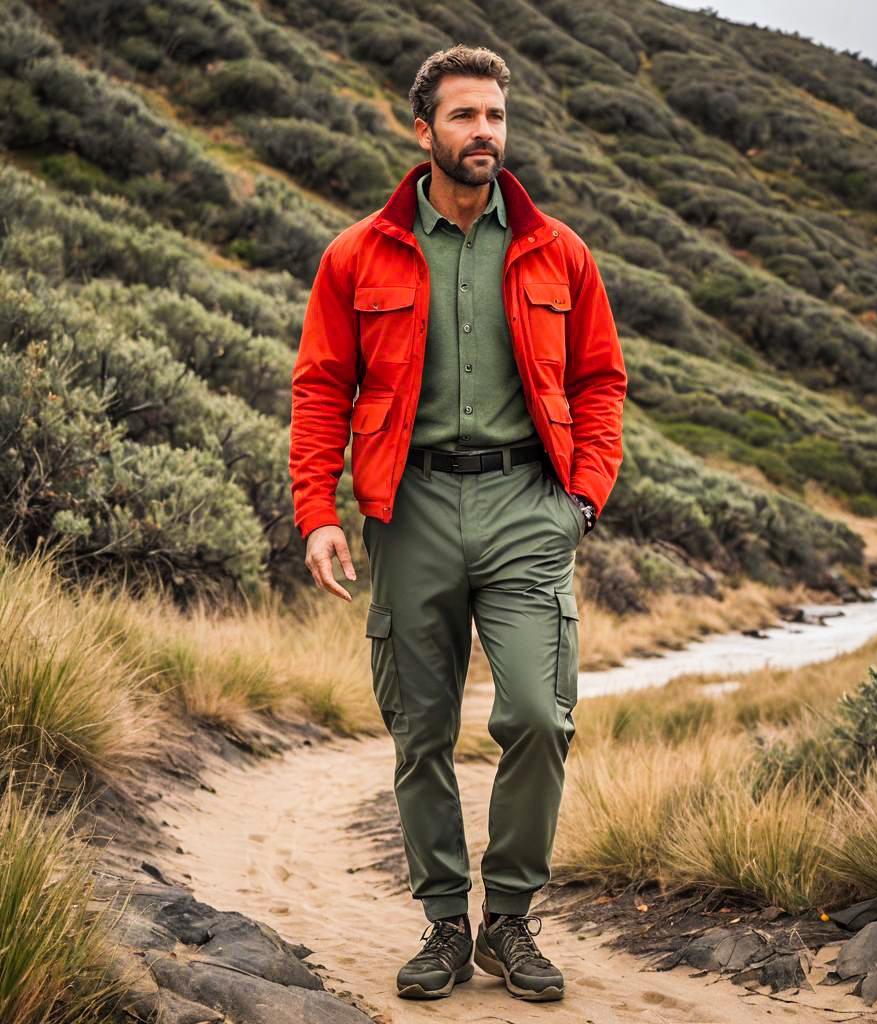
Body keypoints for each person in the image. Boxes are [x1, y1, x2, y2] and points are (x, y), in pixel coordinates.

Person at [289, 43, 627, 1003]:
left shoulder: (558, 249)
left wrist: (584, 497)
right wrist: (320, 510)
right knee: (420, 730)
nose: (485, 134)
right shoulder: (359, 253)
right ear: (423, 128)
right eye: (466, 116)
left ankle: (509, 919)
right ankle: (444, 923)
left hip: (529, 503)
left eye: (496, 117)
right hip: (411, 506)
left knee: (536, 713)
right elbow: (321, 390)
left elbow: (601, 380)